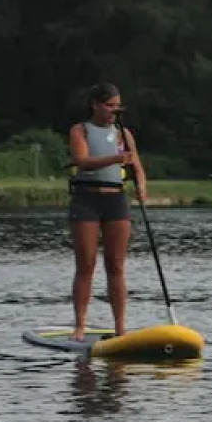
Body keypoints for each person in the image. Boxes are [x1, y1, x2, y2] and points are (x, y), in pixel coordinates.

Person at [67, 82, 145, 341]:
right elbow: (83, 162)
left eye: (117, 106)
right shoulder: (80, 130)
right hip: (87, 199)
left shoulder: (124, 133)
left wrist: (142, 186)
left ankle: (120, 326)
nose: (115, 111)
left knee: (116, 265)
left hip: (116, 200)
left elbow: (136, 165)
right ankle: (80, 325)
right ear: (96, 105)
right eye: (110, 106)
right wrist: (115, 159)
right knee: (86, 264)